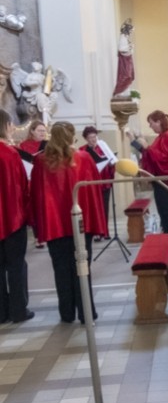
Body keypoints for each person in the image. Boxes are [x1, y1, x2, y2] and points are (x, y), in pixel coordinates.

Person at [30, 121, 107, 324]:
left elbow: (36, 194)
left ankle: (66, 313)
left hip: (55, 224)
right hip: (81, 224)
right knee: (82, 268)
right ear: (72, 136)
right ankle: (86, 312)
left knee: (61, 269)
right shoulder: (83, 158)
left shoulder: (41, 161)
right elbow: (93, 194)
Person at [126, 110, 168, 234]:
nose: (150, 126)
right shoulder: (163, 136)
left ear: (158, 121)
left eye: (151, 123)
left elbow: (164, 158)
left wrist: (147, 147)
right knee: (164, 213)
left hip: (166, 182)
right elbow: (151, 155)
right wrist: (134, 141)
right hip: (162, 182)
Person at [0, 109, 34, 323]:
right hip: (11, 218)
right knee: (15, 264)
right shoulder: (10, 153)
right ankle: (19, 310)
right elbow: (21, 186)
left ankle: (1, 313)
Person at [80, 126, 117, 241]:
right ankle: (96, 232)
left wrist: (111, 164)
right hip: (91, 184)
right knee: (93, 208)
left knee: (104, 207)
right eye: (90, 137)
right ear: (86, 138)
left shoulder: (103, 148)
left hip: (104, 181)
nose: (93, 139)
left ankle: (105, 231)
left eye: (94, 136)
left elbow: (111, 162)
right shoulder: (82, 150)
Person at [18, 120, 47, 248]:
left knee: (45, 206)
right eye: (40, 131)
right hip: (30, 179)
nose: (43, 133)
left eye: (44, 131)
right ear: (32, 131)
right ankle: (37, 237)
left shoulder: (48, 145)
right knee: (35, 207)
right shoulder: (24, 145)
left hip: (45, 178)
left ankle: (46, 233)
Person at [113, 19, 135, 97]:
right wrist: (129, 47)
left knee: (129, 76)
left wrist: (130, 47)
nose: (131, 33)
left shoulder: (126, 38)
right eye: (130, 31)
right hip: (124, 61)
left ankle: (125, 90)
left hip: (127, 59)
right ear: (127, 30)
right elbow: (121, 49)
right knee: (125, 76)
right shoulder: (123, 37)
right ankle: (120, 91)